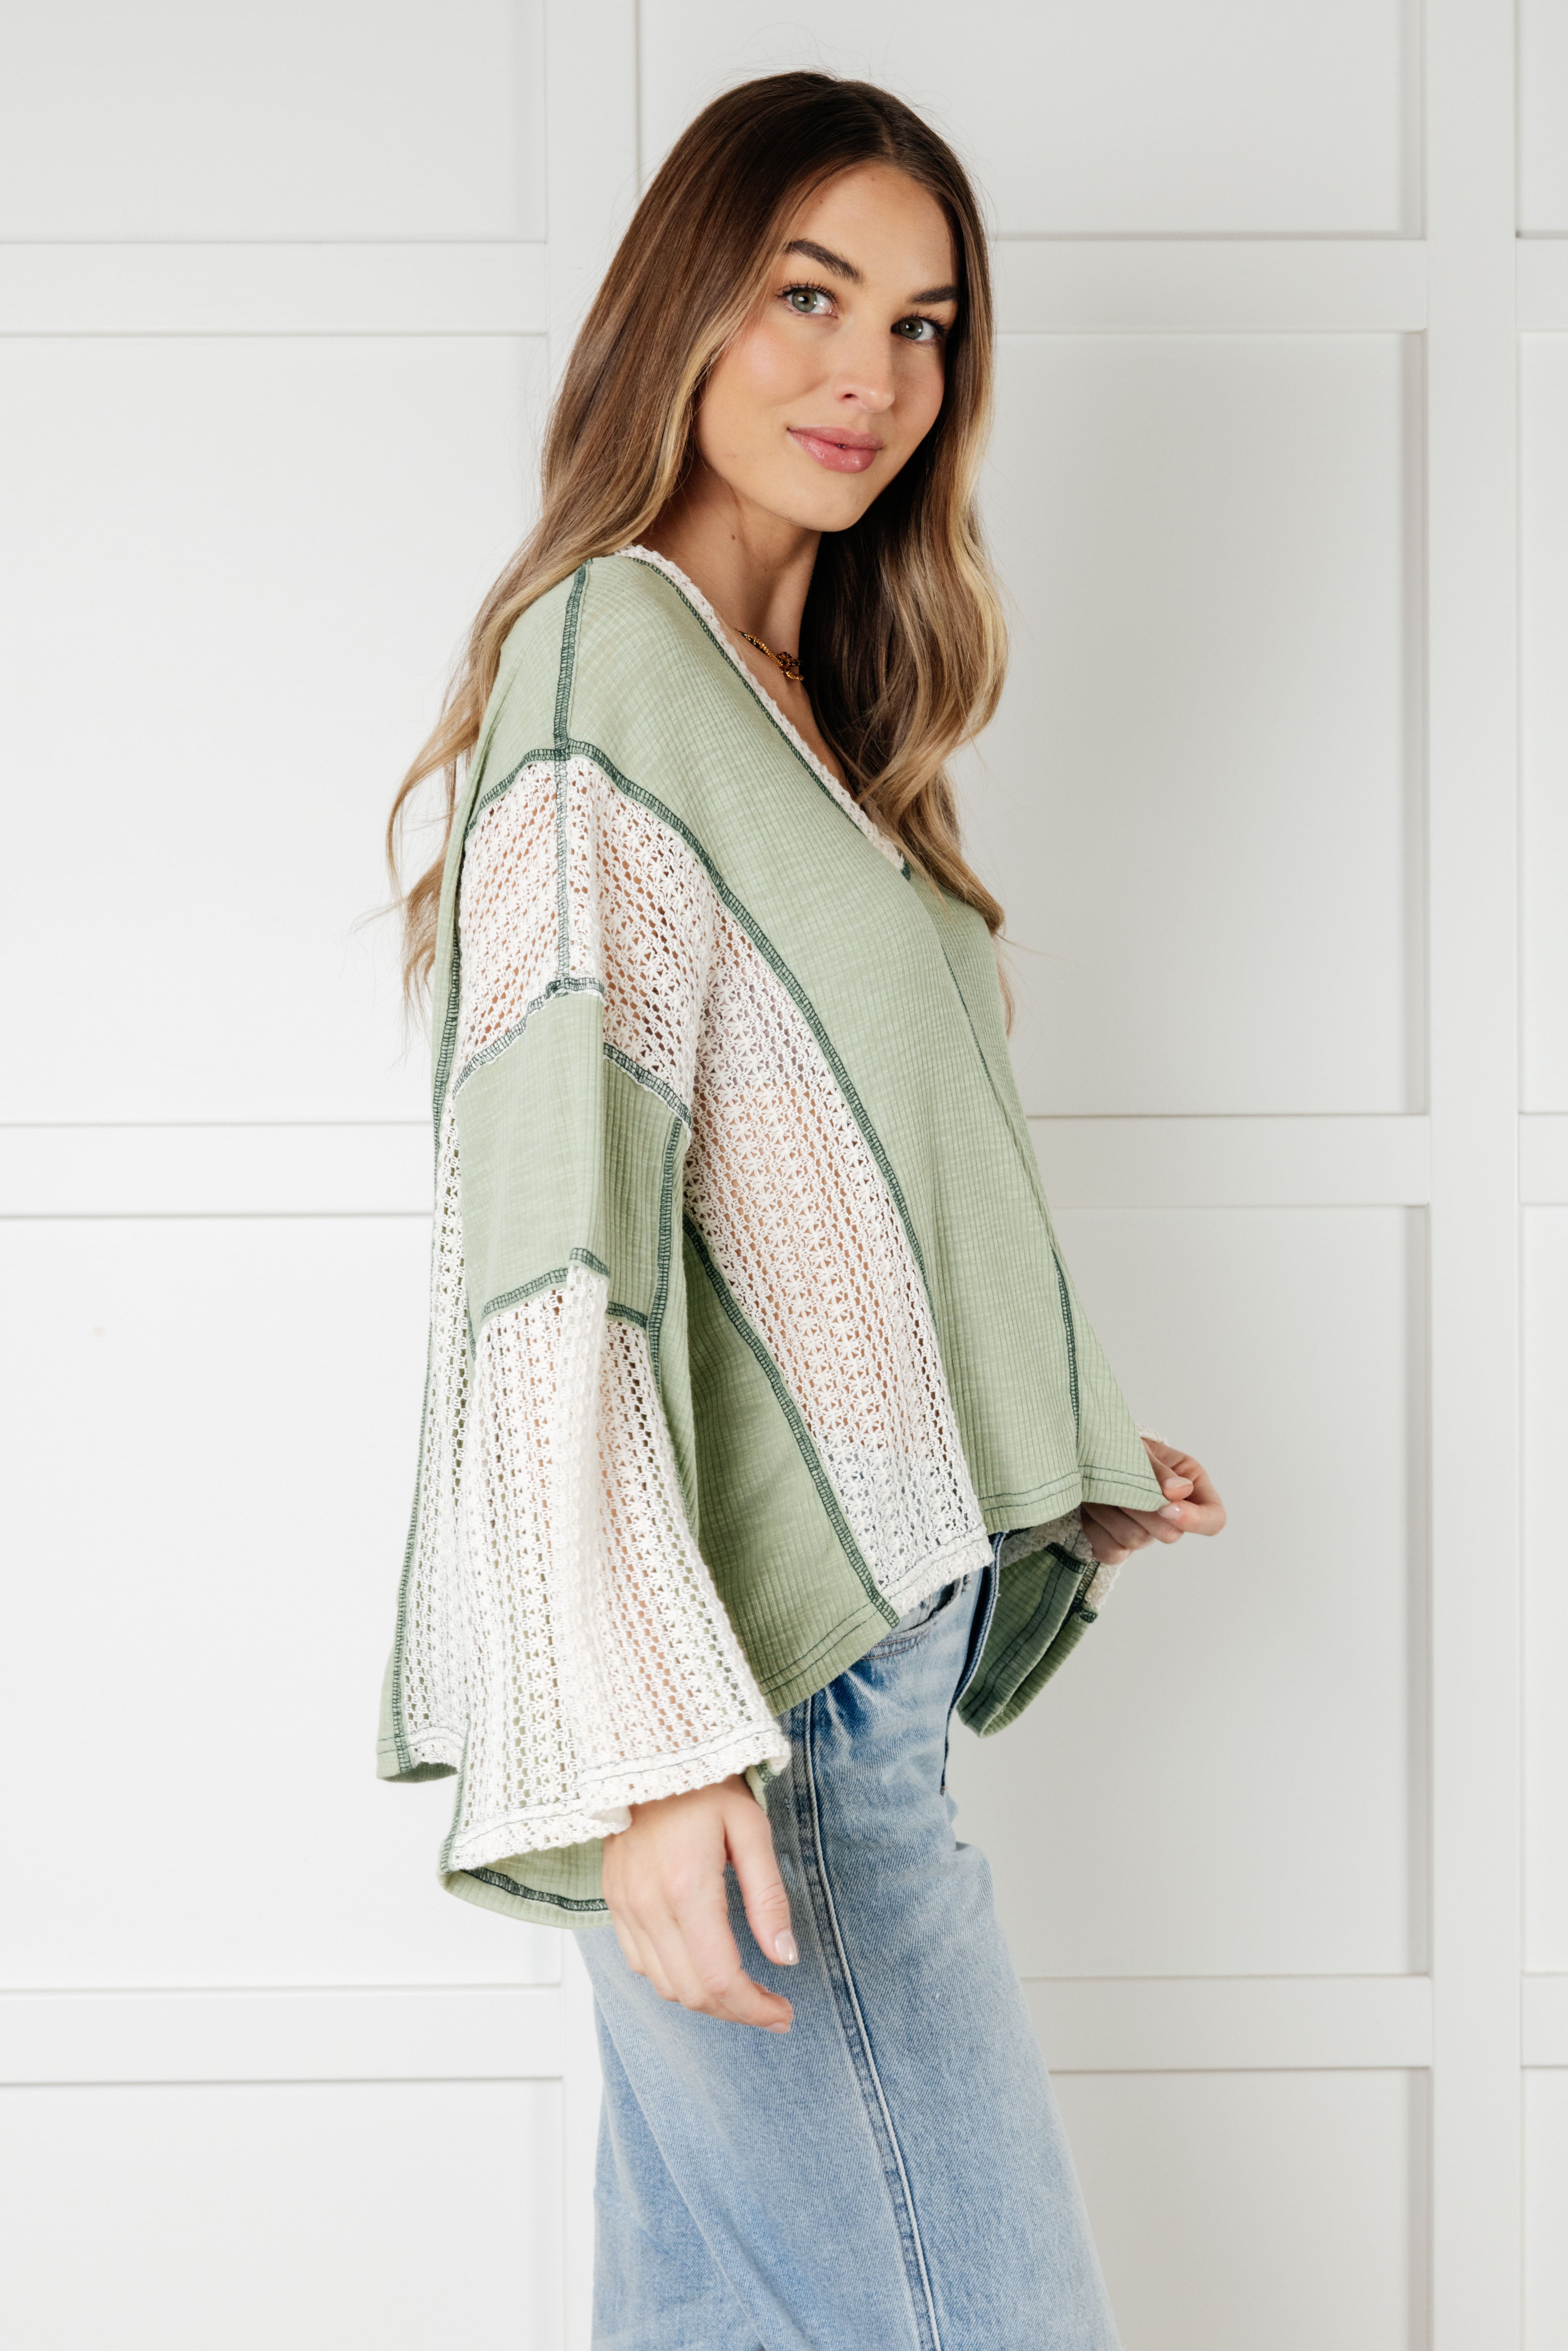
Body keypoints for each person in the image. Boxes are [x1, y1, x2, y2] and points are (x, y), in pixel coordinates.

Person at [379, 70, 1225, 2351]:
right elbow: (554, 1235)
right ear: (684, 309)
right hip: (761, 1715)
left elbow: (833, 1188)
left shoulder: (812, 716)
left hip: (833, 1684)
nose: (873, 375)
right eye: (809, 295)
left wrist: (1035, 1441)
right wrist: (645, 1741)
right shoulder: (613, 656)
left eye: (926, 324)